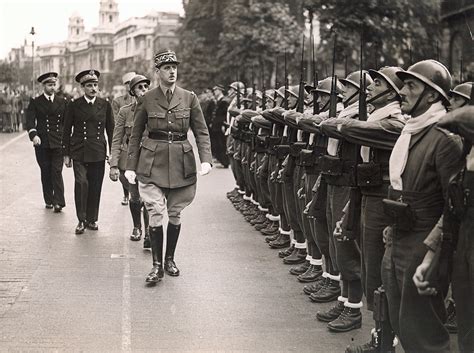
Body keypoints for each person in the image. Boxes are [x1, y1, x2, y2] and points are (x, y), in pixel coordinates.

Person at [381, 60, 462, 352]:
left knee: (425, 333)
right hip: (400, 238)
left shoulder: (444, 139)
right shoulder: (411, 131)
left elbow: (454, 207)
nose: (402, 91)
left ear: (431, 95)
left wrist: (433, 255)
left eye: (411, 85)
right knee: (402, 324)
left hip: (424, 244)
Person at [125, 50, 212, 283]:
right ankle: (156, 266)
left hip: (181, 163)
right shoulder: (147, 99)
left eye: (174, 67)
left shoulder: (189, 98)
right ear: (158, 72)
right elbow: (135, 135)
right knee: (154, 210)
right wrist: (130, 165)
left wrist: (206, 158)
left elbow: (201, 131)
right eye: (167, 68)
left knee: (174, 212)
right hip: (152, 162)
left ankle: (169, 259)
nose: (172, 71)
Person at [62, 70, 114, 234]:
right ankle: (81, 219)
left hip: (98, 151)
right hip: (79, 151)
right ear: (83, 87)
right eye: (89, 85)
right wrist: (66, 153)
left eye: (95, 85)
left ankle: (92, 219)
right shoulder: (74, 105)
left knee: (95, 186)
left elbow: (111, 130)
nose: (93, 88)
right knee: (81, 183)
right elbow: (66, 129)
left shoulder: (105, 104)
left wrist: (113, 153)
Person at [109, 74, 151, 248]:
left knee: (149, 198)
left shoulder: (155, 110)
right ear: (132, 91)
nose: (144, 91)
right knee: (135, 197)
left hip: (150, 160)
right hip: (131, 161)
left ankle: (149, 231)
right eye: (139, 88)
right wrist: (113, 164)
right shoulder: (125, 111)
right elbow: (116, 139)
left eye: (146, 87)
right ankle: (137, 227)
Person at [26, 72, 67, 212]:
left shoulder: (62, 102)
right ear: (43, 86)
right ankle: (49, 199)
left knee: (56, 171)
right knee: (46, 171)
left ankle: (59, 202)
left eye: (54, 84)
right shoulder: (36, 102)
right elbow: (30, 121)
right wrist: (34, 135)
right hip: (42, 143)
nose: (52, 87)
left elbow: (66, 123)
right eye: (49, 85)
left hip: (58, 142)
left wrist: (66, 139)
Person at [112, 71, 136, 206]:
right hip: (124, 140)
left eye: (132, 82)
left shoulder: (144, 99)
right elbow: (116, 124)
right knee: (123, 171)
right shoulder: (118, 101)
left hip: (139, 141)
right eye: (127, 83)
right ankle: (126, 193)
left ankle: (135, 195)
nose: (130, 85)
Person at [210, 84, 230, 168]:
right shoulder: (219, 100)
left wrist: (222, 124)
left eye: (216, 90)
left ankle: (225, 161)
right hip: (216, 126)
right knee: (218, 143)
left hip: (221, 126)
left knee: (222, 143)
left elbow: (224, 115)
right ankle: (222, 160)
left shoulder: (223, 101)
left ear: (220, 90)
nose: (215, 92)